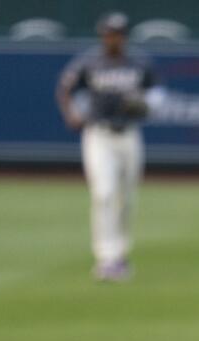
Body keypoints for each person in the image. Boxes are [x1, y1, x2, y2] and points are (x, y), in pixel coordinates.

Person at [55, 11, 162, 281]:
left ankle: (120, 254)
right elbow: (65, 88)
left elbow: (158, 97)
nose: (112, 38)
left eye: (117, 33)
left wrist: (145, 105)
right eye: (108, 33)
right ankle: (106, 257)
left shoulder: (139, 62)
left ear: (124, 36)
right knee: (104, 193)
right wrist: (72, 115)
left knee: (126, 197)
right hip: (98, 134)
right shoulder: (90, 62)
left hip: (129, 134)